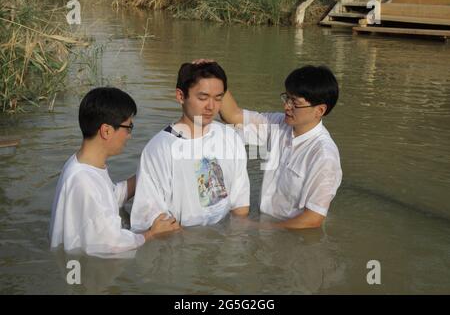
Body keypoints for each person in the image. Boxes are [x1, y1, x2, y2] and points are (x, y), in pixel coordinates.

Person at [49, 87, 180, 257]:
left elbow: (110, 197)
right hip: (83, 271)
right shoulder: (83, 181)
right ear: (107, 131)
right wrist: (152, 234)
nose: (129, 136)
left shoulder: (83, 164)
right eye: (128, 127)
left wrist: (150, 173)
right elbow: (109, 245)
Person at [215, 62, 342, 229]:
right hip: (267, 225)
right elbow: (234, 116)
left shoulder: (323, 155)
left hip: (293, 237)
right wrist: (216, 77)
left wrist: (257, 228)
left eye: (295, 102)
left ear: (320, 110)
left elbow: (313, 219)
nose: (286, 106)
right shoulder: (279, 124)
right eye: (287, 98)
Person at [130, 62, 250, 231]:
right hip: (182, 240)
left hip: (222, 236)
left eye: (218, 98)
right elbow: (150, 217)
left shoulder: (230, 137)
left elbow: (240, 205)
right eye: (202, 98)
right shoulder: (160, 149)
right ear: (180, 96)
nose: (211, 106)